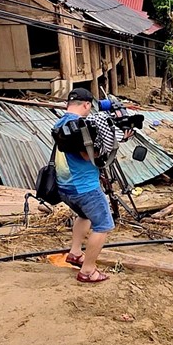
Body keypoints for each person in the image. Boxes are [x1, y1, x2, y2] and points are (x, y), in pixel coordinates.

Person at [53, 88, 118, 283]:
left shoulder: (61, 123)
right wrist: (108, 145)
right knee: (104, 225)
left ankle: (74, 253)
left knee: (83, 216)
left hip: (65, 186)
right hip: (85, 187)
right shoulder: (79, 126)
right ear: (86, 104)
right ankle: (88, 270)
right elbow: (85, 154)